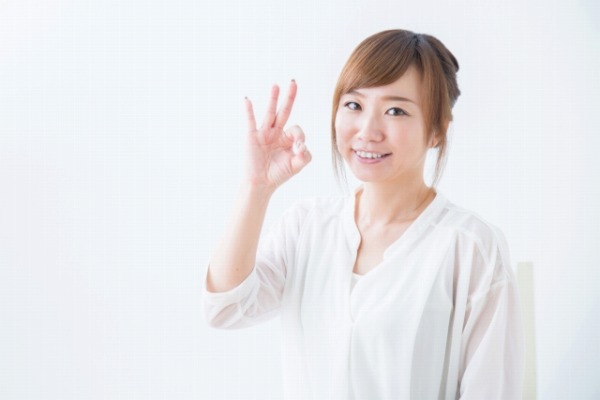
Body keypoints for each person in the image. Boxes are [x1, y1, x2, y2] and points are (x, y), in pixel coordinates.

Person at [203, 29, 524, 399]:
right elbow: (225, 309)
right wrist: (256, 187)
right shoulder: (307, 225)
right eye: (354, 105)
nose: (367, 131)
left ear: (437, 130)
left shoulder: (470, 247)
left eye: (395, 111)